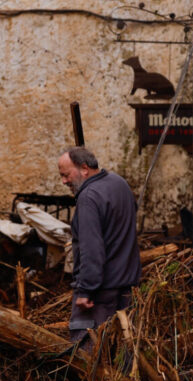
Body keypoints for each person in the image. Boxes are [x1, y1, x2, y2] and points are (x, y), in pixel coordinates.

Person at [57, 147, 141, 345]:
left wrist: (86, 290)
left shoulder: (88, 198)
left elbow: (91, 249)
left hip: (99, 294)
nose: (64, 181)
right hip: (127, 289)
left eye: (66, 175)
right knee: (123, 351)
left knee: (87, 356)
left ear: (84, 169)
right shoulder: (119, 184)